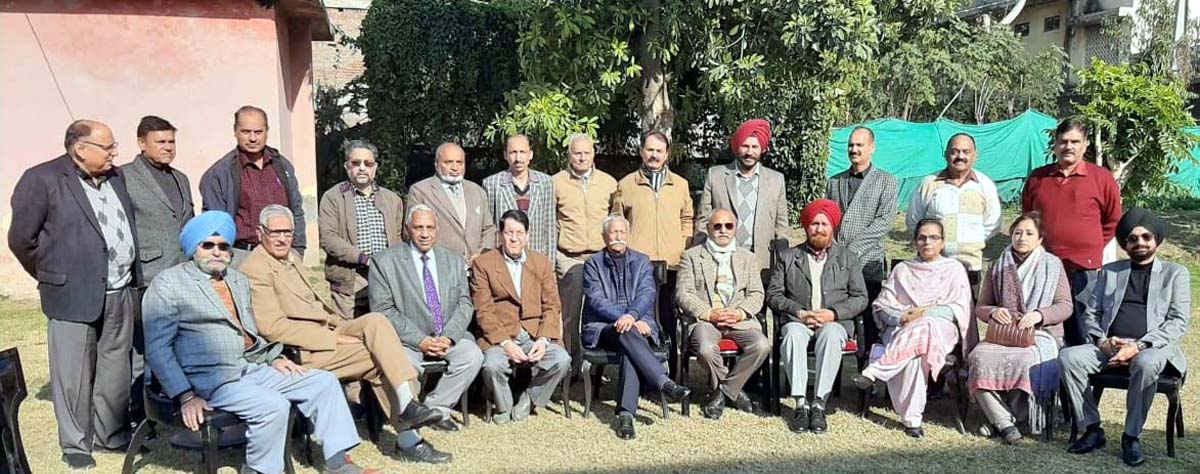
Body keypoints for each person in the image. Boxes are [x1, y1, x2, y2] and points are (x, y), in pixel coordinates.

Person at [142, 211, 379, 474]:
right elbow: (158, 348)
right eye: (207, 245)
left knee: (322, 382)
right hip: (206, 379)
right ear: (193, 248)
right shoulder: (169, 283)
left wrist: (274, 358)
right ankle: (258, 470)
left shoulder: (238, 280)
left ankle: (338, 463)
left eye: (223, 246)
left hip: (249, 368)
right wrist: (185, 395)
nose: (217, 252)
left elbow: (251, 333)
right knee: (273, 405)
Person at [240, 205, 450, 463]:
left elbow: (315, 306)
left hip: (326, 329)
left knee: (375, 321)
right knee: (382, 357)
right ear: (260, 232)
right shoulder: (256, 268)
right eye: (276, 232)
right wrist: (333, 338)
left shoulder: (290, 256)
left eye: (288, 231)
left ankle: (407, 404)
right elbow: (272, 328)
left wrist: (339, 326)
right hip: (302, 352)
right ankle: (409, 439)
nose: (283, 238)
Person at [9, 120, 140, 469]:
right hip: (70, 293)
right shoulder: (41, 179)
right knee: (74, 375)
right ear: (81, 149)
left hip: (119, 289)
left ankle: (110, 435)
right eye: (108, 147)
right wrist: (52, 274)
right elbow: (22, 239)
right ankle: (76, 444)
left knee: (115, 369)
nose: (115, 153)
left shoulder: (116, 177)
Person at [1060, 208, 1191, 467]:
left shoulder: (1176, 273)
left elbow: (1178, 321)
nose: (1139, 243)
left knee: (1146, 363)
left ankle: (1131, 436)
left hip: (1152, 347)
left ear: (1157, 240)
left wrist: (1138, 346)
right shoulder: (1110, 272)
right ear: (1124, 243)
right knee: (1069, 357)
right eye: (1132, 238)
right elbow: (1090, 313)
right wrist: (1101, 341)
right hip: (1109, 345)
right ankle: (1092, 428)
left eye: (1145, 237)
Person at [851, 218, 972, 438]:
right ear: (915, 241)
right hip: (901, 330)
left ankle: (876, 371)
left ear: (942, 242)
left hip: (940, 331)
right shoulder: (903, 270)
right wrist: (900, 317)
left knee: (925, 325)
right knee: (917, 355)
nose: (927, 242)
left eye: (934, 237)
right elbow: (882, 305)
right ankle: (912, 419)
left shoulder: (953, 269)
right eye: (922, 237)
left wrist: (922, 313)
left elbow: (957, 308)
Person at [369, 204, 484, 433]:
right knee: (404, 365)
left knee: (472, 356)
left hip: (446, 336)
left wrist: (449, 337)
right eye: (418, 227)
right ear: (407, 229)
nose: (424, 233)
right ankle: (409, 416)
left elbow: (464, 303)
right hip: (407, 340)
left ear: (437, 229)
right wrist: (420, 340)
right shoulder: (384, 262)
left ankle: (435, 409)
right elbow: (383, 310)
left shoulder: (452, 260)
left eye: (430, 227)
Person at [582, 215, 691, 439]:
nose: (618, 236)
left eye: (622, 232)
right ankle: (663, 382)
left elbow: (647, 293)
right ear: (604, 236)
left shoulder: (642, 261)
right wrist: (627, 318)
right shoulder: (593, 264)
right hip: (604, 328)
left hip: (636, 325)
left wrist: (631, 316)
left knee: (628, 347)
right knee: (626, 331)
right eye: (613, 232)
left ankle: (626, 416)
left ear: (628, 235)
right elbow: (596, 299)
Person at [968, 212, 1072, 444]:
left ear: (1040, 239)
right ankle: (1005, 421)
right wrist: (994, 311)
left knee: (1026, 360)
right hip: (1005, 334)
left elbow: (1065, 306)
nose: (1022, 238)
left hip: (1041, 333)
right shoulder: (998, 265)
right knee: (978, 358)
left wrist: (1039, 315)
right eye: (1017, 232)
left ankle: (1001, 418)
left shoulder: (1052, 265)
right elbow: (981, 306)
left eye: (1028, 233)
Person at [767, 200, 867, 434]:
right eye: (814, 223)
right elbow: (773, 295)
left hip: (834, 322)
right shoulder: (788, 257)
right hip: (798, 320)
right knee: (792, 335)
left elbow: (860, 297)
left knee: (831, 335)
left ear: (832, 227)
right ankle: (801, 404)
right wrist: (798, 312)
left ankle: (819, 404)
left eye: (824, 224)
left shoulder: (848, 258)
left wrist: (832, 314)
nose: (819, 228)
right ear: (805, 227)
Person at [122, 115, 195, 425]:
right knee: (144, 347)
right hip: (147, 274)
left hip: (181, 272)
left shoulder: (180, 178)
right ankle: (138, 412)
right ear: (142, 143)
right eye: (161, 142)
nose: (168, 148)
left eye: (171, 142)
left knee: (175, 341)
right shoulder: (123, 177)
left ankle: (171, 402)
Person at [1022, 119, 1122, 346]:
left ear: (1085, 144)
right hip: (1044, 267)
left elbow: (1113, 220)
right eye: (1063, 141)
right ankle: (1047, 379)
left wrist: (1090, 246)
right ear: (1055, 145)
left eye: (1074, 141)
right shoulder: (1038, 179)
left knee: (1084, 329)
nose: (1068, 146)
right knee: (1044, 329)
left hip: (1085, 270)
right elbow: (1028, 220)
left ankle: (1083, 380)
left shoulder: (1102, 178)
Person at [472, 210, 572, 423]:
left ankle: (529, 399)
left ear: (527, 235)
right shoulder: (484, 263)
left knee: (561, 360)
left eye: (519, 232)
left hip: (534, 334)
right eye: (509, 232)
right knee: (492, 365)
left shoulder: (541, 263)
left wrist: (544, 340)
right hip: (502, 335)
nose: (514, 238)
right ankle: (504, 405)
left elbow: (552, 306)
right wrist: (506, 343)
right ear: (500, 234)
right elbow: (483, 311)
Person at [612, 131, 694, 375]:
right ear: (641, 152)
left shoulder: (680, 185)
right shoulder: (626, 185)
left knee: (668, 318)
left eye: (659, 150)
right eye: (650, 150)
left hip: (671, 264)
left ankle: (670, 372)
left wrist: (682, 246)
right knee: (641, 317)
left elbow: (687, 218)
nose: (654, 155)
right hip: (638, 267)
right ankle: (642, 372)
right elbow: (617, 222)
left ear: (667, 154)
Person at [677, 209, 770, 420]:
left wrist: (739, 312)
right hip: (706, 321)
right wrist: (709, 313)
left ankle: (723, 392)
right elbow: (683, 293)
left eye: (728, 226)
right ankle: (737, 394)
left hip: (739, 320)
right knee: (706, 349)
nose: (723, 231)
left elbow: (756, 293)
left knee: (762, 345)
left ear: (735, 229)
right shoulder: (691, 256)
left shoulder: (748, 257)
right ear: (708, 228)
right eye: (717, 226)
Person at [200, 105, 306, 255]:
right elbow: (216, 224)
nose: (253, 138)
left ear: (266, 132)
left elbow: (296, 210)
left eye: (258, 132)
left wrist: (299, 249)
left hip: (284, 253)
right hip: (243, 255)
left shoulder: (282, 166)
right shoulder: (219, 174)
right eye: (246, 132)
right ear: (235, 131)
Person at [827, 125, 899, 349]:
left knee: (870, 321)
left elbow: (884, 222)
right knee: (838, 313)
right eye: (851, 145)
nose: (854, 149)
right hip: (837, 262)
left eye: (859, 145)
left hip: (869, 262)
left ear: (872, 148)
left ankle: (868, 371)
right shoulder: (834, 181)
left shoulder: (887, 181)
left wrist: (853, 250)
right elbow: (830, 218)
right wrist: (837, 250)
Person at [318, 139, 405, 317]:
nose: (362, 168)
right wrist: (363, 258)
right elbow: (328, 238)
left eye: (368, 163)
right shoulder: (333, 198)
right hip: (350, 278)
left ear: (375, 167)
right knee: (351, 333)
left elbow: (398, 238)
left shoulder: (392, 199)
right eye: (356, 163)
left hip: (385, 278)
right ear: (347, 166)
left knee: (385, 330)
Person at [552, 134, 617, 371]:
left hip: (600, 259)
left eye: (586, 153)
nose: (581, 157)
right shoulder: (556, 183)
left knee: (602, 311)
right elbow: (551, 222)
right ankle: (570, 365)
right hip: (569, 257)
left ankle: (598, 365)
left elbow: (615, 219)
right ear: (569, 155)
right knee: (570, 317)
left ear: (593, 154)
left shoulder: (609, 183)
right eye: (577, 153)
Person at [696, 119, 790, 271]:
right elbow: (703, 219)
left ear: (762, 149)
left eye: (754, 147)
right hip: (722, 259)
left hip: (762, 261)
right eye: (745, 146)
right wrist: (699, 253)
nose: (749, 152)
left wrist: (783, 258)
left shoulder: (776, 180)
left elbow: (781, 225)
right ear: (736, 147)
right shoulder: (717, 176)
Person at [905, 133, 1001, 279]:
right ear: (945, 155)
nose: (960, 156)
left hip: (971, 266)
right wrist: (932, 244)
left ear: (975, 155)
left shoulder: (985, 185)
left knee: (969, 302)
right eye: (954, 151)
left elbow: (993, 223)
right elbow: (914, 221)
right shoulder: (929, 183)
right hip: (933, 266)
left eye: (966, 152)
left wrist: (971, 241)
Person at [407, 142, 495, 262]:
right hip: (440, 266)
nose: (455, 168)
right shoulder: (420, 191)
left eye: (459, 163)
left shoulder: (477, 191)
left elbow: (488, 228)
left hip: (476, 267)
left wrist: (482, 253)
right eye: (448, 162)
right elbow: (411, 232)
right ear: (436, 164)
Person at [482, 135, 558, 258]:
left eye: (522, 152)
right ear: (505, 155)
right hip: (505, 256)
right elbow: (490, 227)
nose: (518, 158)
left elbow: (550, 227)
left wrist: (550, 264)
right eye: (513, 152)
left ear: (531, 154)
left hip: (536, 256)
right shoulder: (492, 184)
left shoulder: (545, 182)